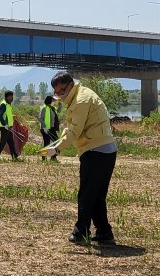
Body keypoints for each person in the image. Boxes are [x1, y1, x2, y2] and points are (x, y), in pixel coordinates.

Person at [45, 72, 117, 244]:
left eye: (62, 90)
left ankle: (81, 232)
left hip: (95, 151)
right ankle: (104, 232)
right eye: (57, 92)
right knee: (96, 194)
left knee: (87, 194)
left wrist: (56, 149)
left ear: (71, 84)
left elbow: (74, 132)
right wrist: (57, 143)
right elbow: (71, 129)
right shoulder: (81, 95)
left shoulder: (81, 101)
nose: (60, 94)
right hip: (106, 150)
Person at [0, 91, 18, 160]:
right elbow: (0, 115)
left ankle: (14, 156)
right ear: (7, 97)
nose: (12, 98)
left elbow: (7, 115)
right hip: (5, 127)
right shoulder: (3, 104)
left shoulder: (8, 105)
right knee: (3, 142)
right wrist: (5, 125)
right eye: (11, 97)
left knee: (11, 142)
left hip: (9, 127)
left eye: (12, 96)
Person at [39, 95, 60, 161]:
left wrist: (60, 103)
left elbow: (59, 110)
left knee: (57, 142)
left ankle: (53, 157)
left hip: (52, 128)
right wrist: (44, 127)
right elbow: (40, 117)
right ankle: (44, 158)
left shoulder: (52, 108)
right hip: (45, 129)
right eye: (53, 100)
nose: (54, 101)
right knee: (47, 143)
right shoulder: (44, 108)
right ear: (49, 100)